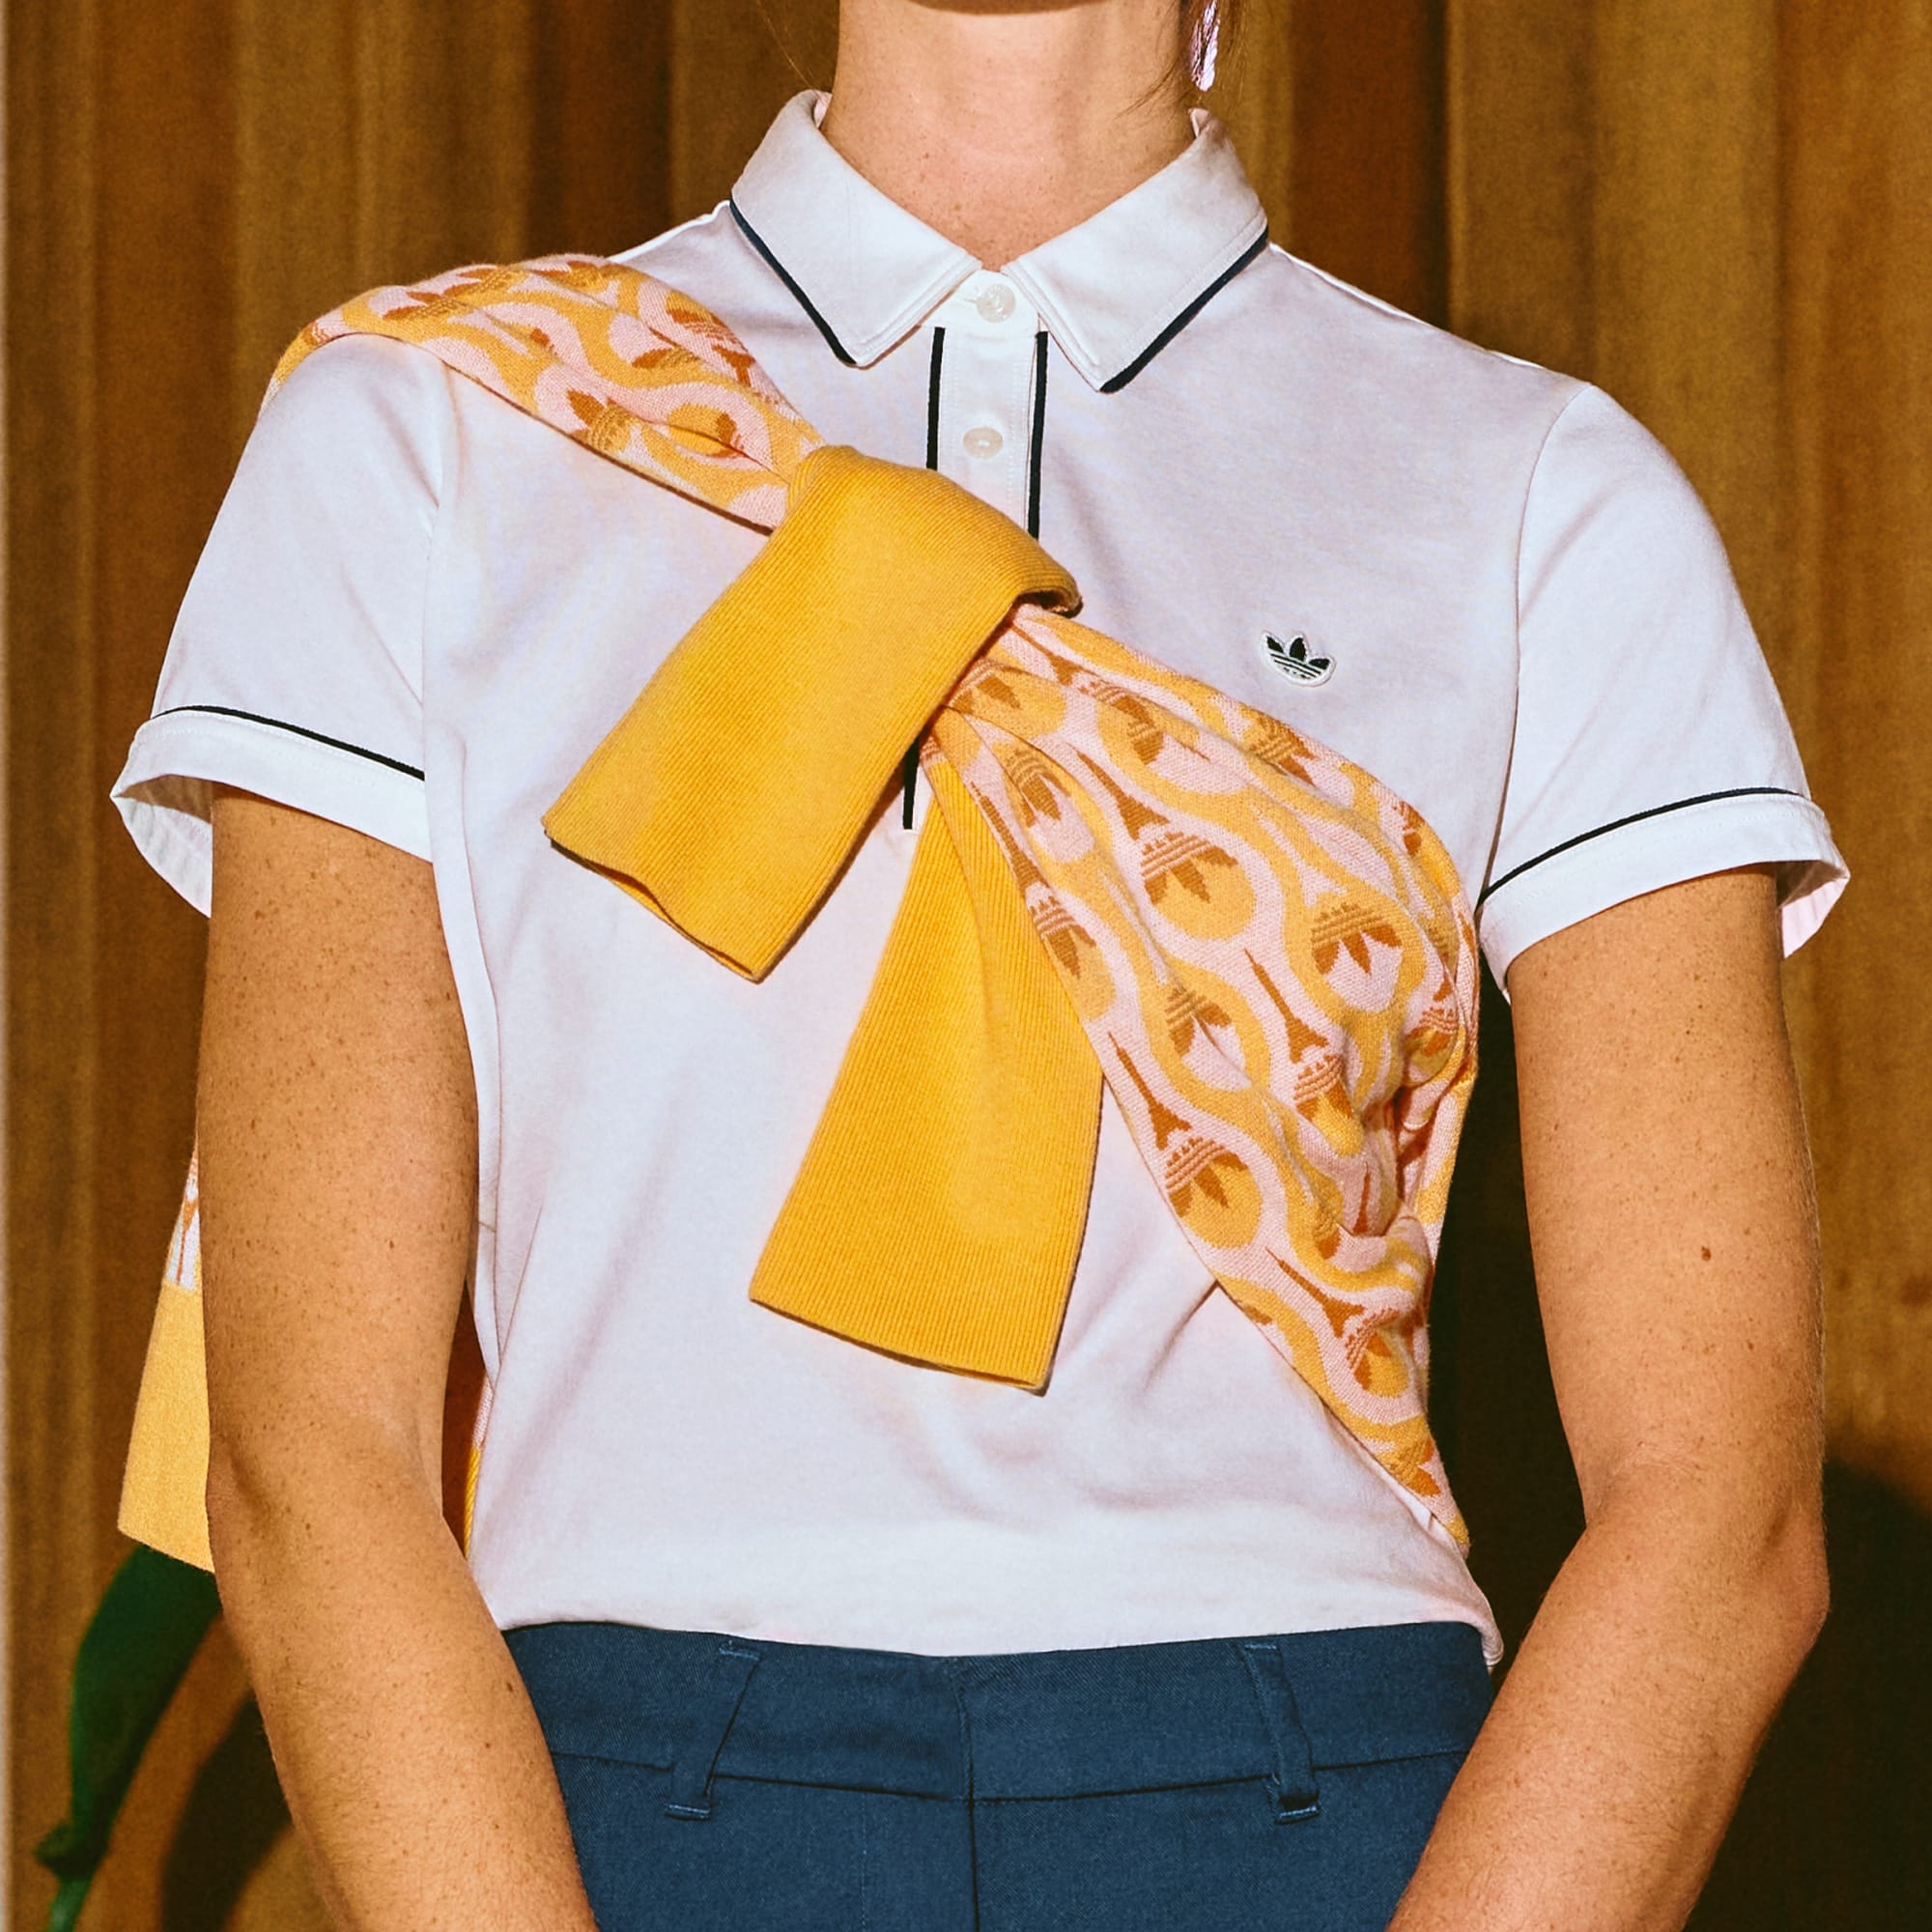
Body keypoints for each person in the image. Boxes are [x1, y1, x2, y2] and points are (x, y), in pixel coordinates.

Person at [108, 1, 1847, 1926]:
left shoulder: (1540, 489)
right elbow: (310, 1455)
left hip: (1318, 1799)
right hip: (603, 1803)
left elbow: (1717, 1504)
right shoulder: (427, 429)